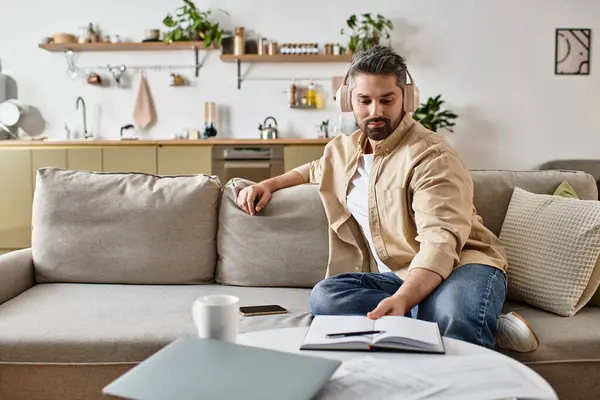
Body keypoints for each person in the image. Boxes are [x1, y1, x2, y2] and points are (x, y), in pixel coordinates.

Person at [235, 45, 539, 353]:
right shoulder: (342, 150)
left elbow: (440, 243)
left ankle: (463, 315)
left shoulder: (432, 156)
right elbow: (315, 169)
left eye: (387, 100)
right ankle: (481, 319)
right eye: (364, 100)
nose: (375, 111)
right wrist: (269, 184)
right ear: (347, 101)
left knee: (454, 318)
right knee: (326, 297)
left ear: (406, 99)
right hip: (399, 275)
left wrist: (404, 300)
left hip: (462, 264)